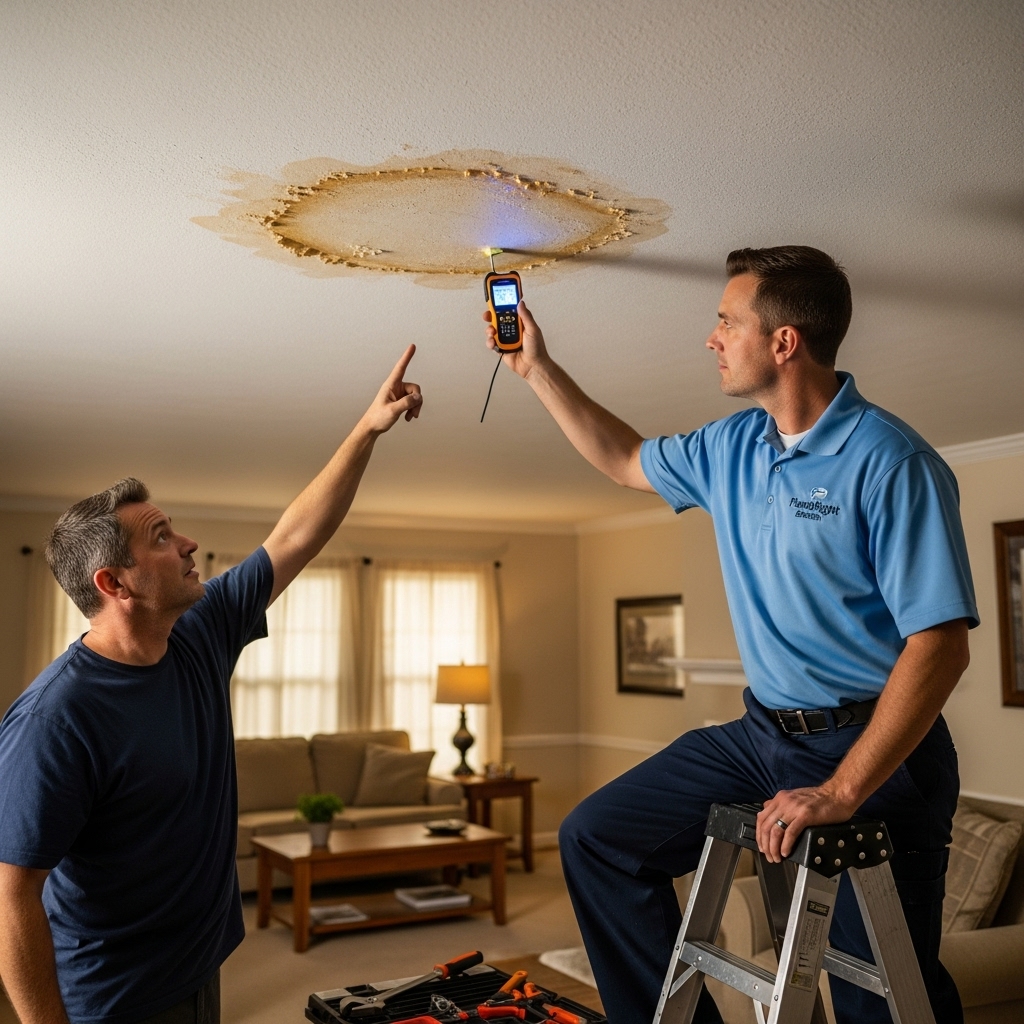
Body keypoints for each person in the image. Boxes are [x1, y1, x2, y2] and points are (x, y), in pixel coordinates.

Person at [483, 247, 976, 1024]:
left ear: (784, 342)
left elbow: (941, 645)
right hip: (759, 734)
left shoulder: (892, 462)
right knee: (595, 838)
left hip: (872, 752)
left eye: (726, 321)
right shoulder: (732, 447)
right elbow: (622, 459)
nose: (711, 339)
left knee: (874, 996)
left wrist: (840, 789)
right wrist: (535, 366)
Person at [0, 347, 423, 1024]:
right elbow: (13, 895)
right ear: (114, 583)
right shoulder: (57, 718)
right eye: (162, 537)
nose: (189, 542)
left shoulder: (197, 634)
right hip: (115, 998)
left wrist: (367, 429)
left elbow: (294, 537)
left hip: (200, 965)